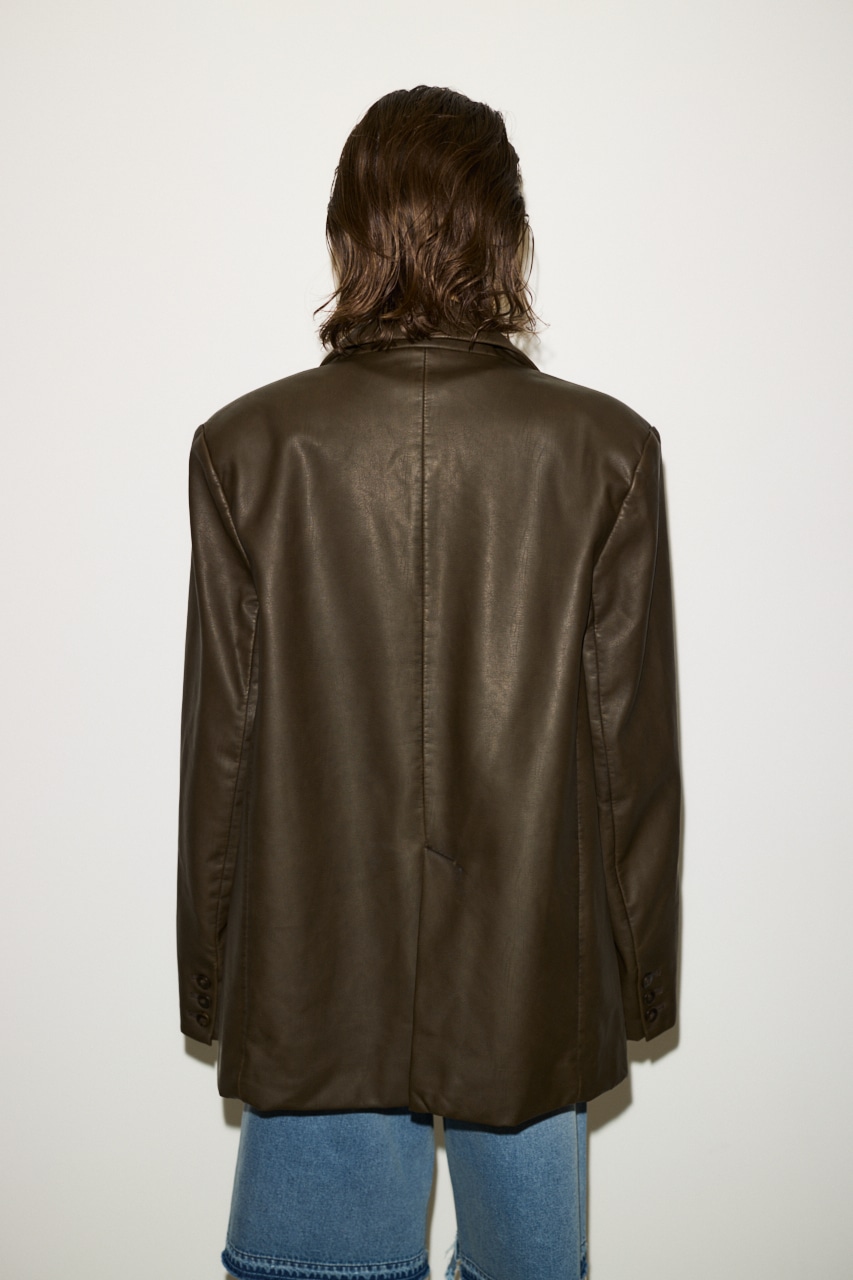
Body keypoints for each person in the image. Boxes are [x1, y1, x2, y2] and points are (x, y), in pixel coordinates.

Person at [177, 84, 682, 1280]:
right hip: (531, 988)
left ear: (347, 232)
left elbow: (220, 753)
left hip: (312, 985)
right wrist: (642, 982)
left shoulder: (249, 450)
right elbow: (634, 764)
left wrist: (212, 980)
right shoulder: (605, 453)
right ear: (506, 236)